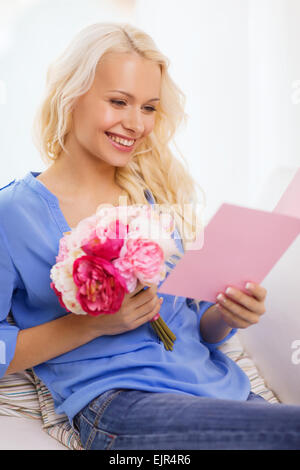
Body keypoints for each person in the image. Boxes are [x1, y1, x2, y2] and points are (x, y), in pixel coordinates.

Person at [0, 22, 300, 451]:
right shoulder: (12, 213)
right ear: (71, 96)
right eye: (119, 101)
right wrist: (91, 325)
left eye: (149, 108)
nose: (135, 123)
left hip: (220, 392)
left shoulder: (154, 196)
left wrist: (228, 315)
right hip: (121, 404)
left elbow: (196, 327)